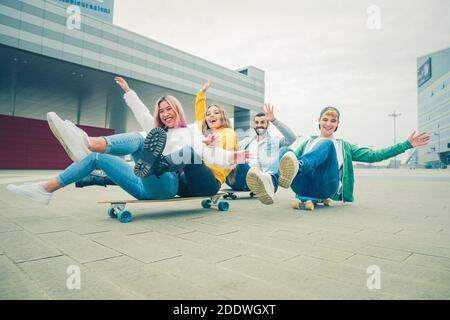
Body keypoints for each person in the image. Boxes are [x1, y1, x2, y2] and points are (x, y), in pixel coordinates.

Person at [6, 78, 248, 204]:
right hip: (142, 186)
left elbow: (205, 156)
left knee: (154, 144)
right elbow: (143, 114)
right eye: (162, 110)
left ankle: (151, 162)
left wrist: (232, 157)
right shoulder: (155, 130)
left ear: (178, 110)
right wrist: (129, 92)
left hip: (165, 185)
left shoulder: (192, 131)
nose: (166, 113)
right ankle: (46, 188)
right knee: (107, 152)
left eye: (170, 109)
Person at [271, 106, 430, 203]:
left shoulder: (344, 146)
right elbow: (287, 161)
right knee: (285, 151)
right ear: (318, 121)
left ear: (337, 124)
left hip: (325, 187)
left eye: (333, 121)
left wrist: (406, 145)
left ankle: (299, 167)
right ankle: (271, 180)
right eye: (325, 119)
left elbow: (374, 156)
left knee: (327, 144)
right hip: (301, 187)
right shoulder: (307, 143)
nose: (328, 124)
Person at [225, 103, 297, 205]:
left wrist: (274, 120)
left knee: (285, 150)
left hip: (265, 180)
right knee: (235, 156)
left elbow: (292, 138)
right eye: (257, 122)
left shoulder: (275, 142)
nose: (259, 125)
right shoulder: (247, 142)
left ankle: (279, 179)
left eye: (263, 122)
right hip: (241, 178)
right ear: (254, 125)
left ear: (268, 124)